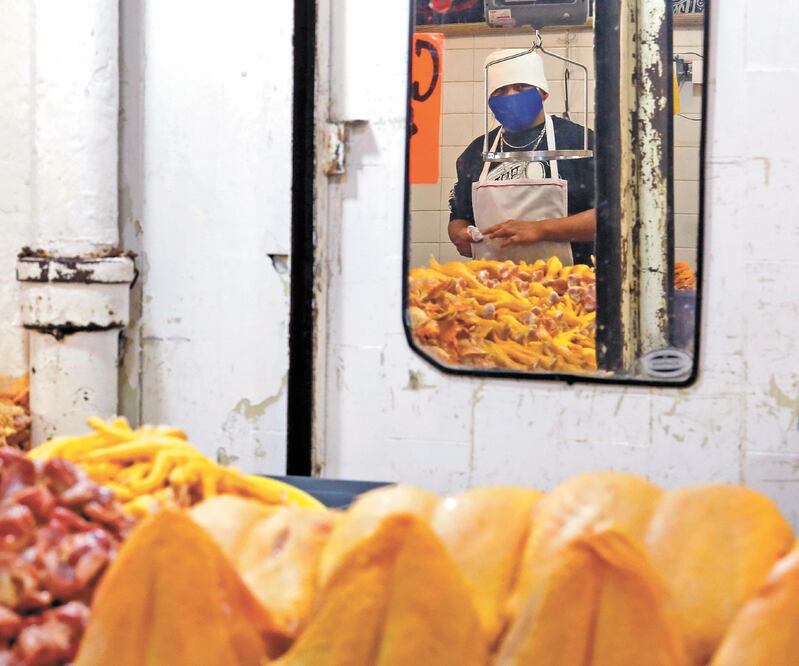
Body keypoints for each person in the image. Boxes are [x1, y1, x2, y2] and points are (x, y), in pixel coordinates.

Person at [447, 48, 596, 265]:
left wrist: (540, 229)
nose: (511, 97)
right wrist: (460, 234)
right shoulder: (476, 152)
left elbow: (611, 216)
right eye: (500, 91)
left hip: (567, 286)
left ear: (542, 92)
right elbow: (459, 216)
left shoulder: (579, 142)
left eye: (521, 87)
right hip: (494, 288)